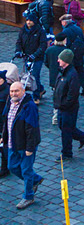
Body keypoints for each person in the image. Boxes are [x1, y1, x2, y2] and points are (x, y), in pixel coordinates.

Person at [5, 76, 42, 208]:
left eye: (16, 91)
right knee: (12, 166)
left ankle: (28, 197)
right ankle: (35, 179)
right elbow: (7, 120)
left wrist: (30, 148)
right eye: (12, 91)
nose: (14, 94)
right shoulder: (10, 101)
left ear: (23, 91)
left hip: (26, 144)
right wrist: (4, 136)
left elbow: (32, 129)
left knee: (26, 170)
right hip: (12, 142)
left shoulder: (29, 106)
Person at [52, 52, 84, 161]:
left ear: (66, 61)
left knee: (66, 130)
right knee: (63, 127)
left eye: (60, 59)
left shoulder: (72, 75)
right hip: (61, 106)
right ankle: (82, 137)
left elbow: (72, 95)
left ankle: (67, 153)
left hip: (68, 108)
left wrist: (63, 104)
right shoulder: (62, 72)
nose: (58, 61)